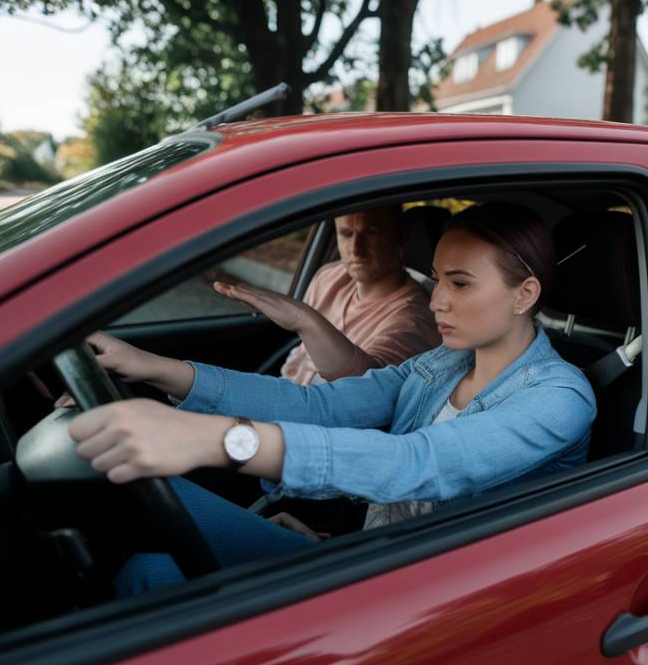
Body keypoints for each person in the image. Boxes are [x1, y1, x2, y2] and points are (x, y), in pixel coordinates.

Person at [68, 203, 597, 595]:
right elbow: (318, 407)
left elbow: (418, 464)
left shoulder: (559, 398)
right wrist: (149, 367)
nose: (436, 300)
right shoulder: (442, 364)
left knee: (147, 579)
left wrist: (220, 439)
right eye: (436, 279)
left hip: (423, 594)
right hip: (365, 555)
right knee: (133, 534)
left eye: (460, 284)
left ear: (525, 294)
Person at [215, 206, 441, 385]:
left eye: (372, 233)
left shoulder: (413, 320)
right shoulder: (329, 278)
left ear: (399, 237)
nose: (356, 250)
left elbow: (366, 387)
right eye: (346, 233)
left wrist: (305, 320)